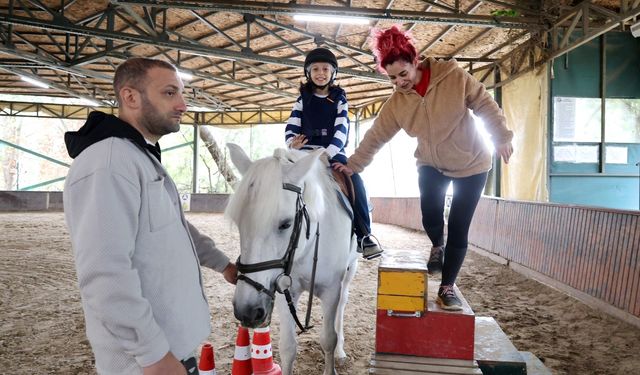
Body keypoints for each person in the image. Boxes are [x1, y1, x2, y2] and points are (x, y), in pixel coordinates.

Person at [63, 57, 238, 375]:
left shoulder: (137, 156)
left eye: (181, 94)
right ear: (130, 97)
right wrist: (154, 355)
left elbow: (175, 226)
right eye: (170, 93)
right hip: (144, 364)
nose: (183, 104)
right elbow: (105, 273)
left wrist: (223, 264)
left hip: (170, 352)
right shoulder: (109, 163)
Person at [333, 26, 514, 310]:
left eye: (403, 74)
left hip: (472, 163)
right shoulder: (396, 104)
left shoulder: (453, 78)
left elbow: (484, 103)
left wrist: (501, 136)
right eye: (392, 78)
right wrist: (354, 165)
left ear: (415, 63)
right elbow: (376, 135)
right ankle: (436, 245)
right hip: (431, 163)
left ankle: (447, 287)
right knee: (430, 211)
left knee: (458, 227)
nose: (399, 82)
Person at [285, 47, 383, 260]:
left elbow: (342, 129)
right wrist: (291, 144)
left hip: (332, 152)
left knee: (355, 180)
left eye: (325, 69)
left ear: (333, 73)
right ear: (308, 73)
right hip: (304, 154)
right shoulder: (302, 99)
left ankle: (365, 235)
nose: (321, 73)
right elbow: (292, 125)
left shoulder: (340, 98)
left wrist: (327, 153)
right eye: (316, 69)